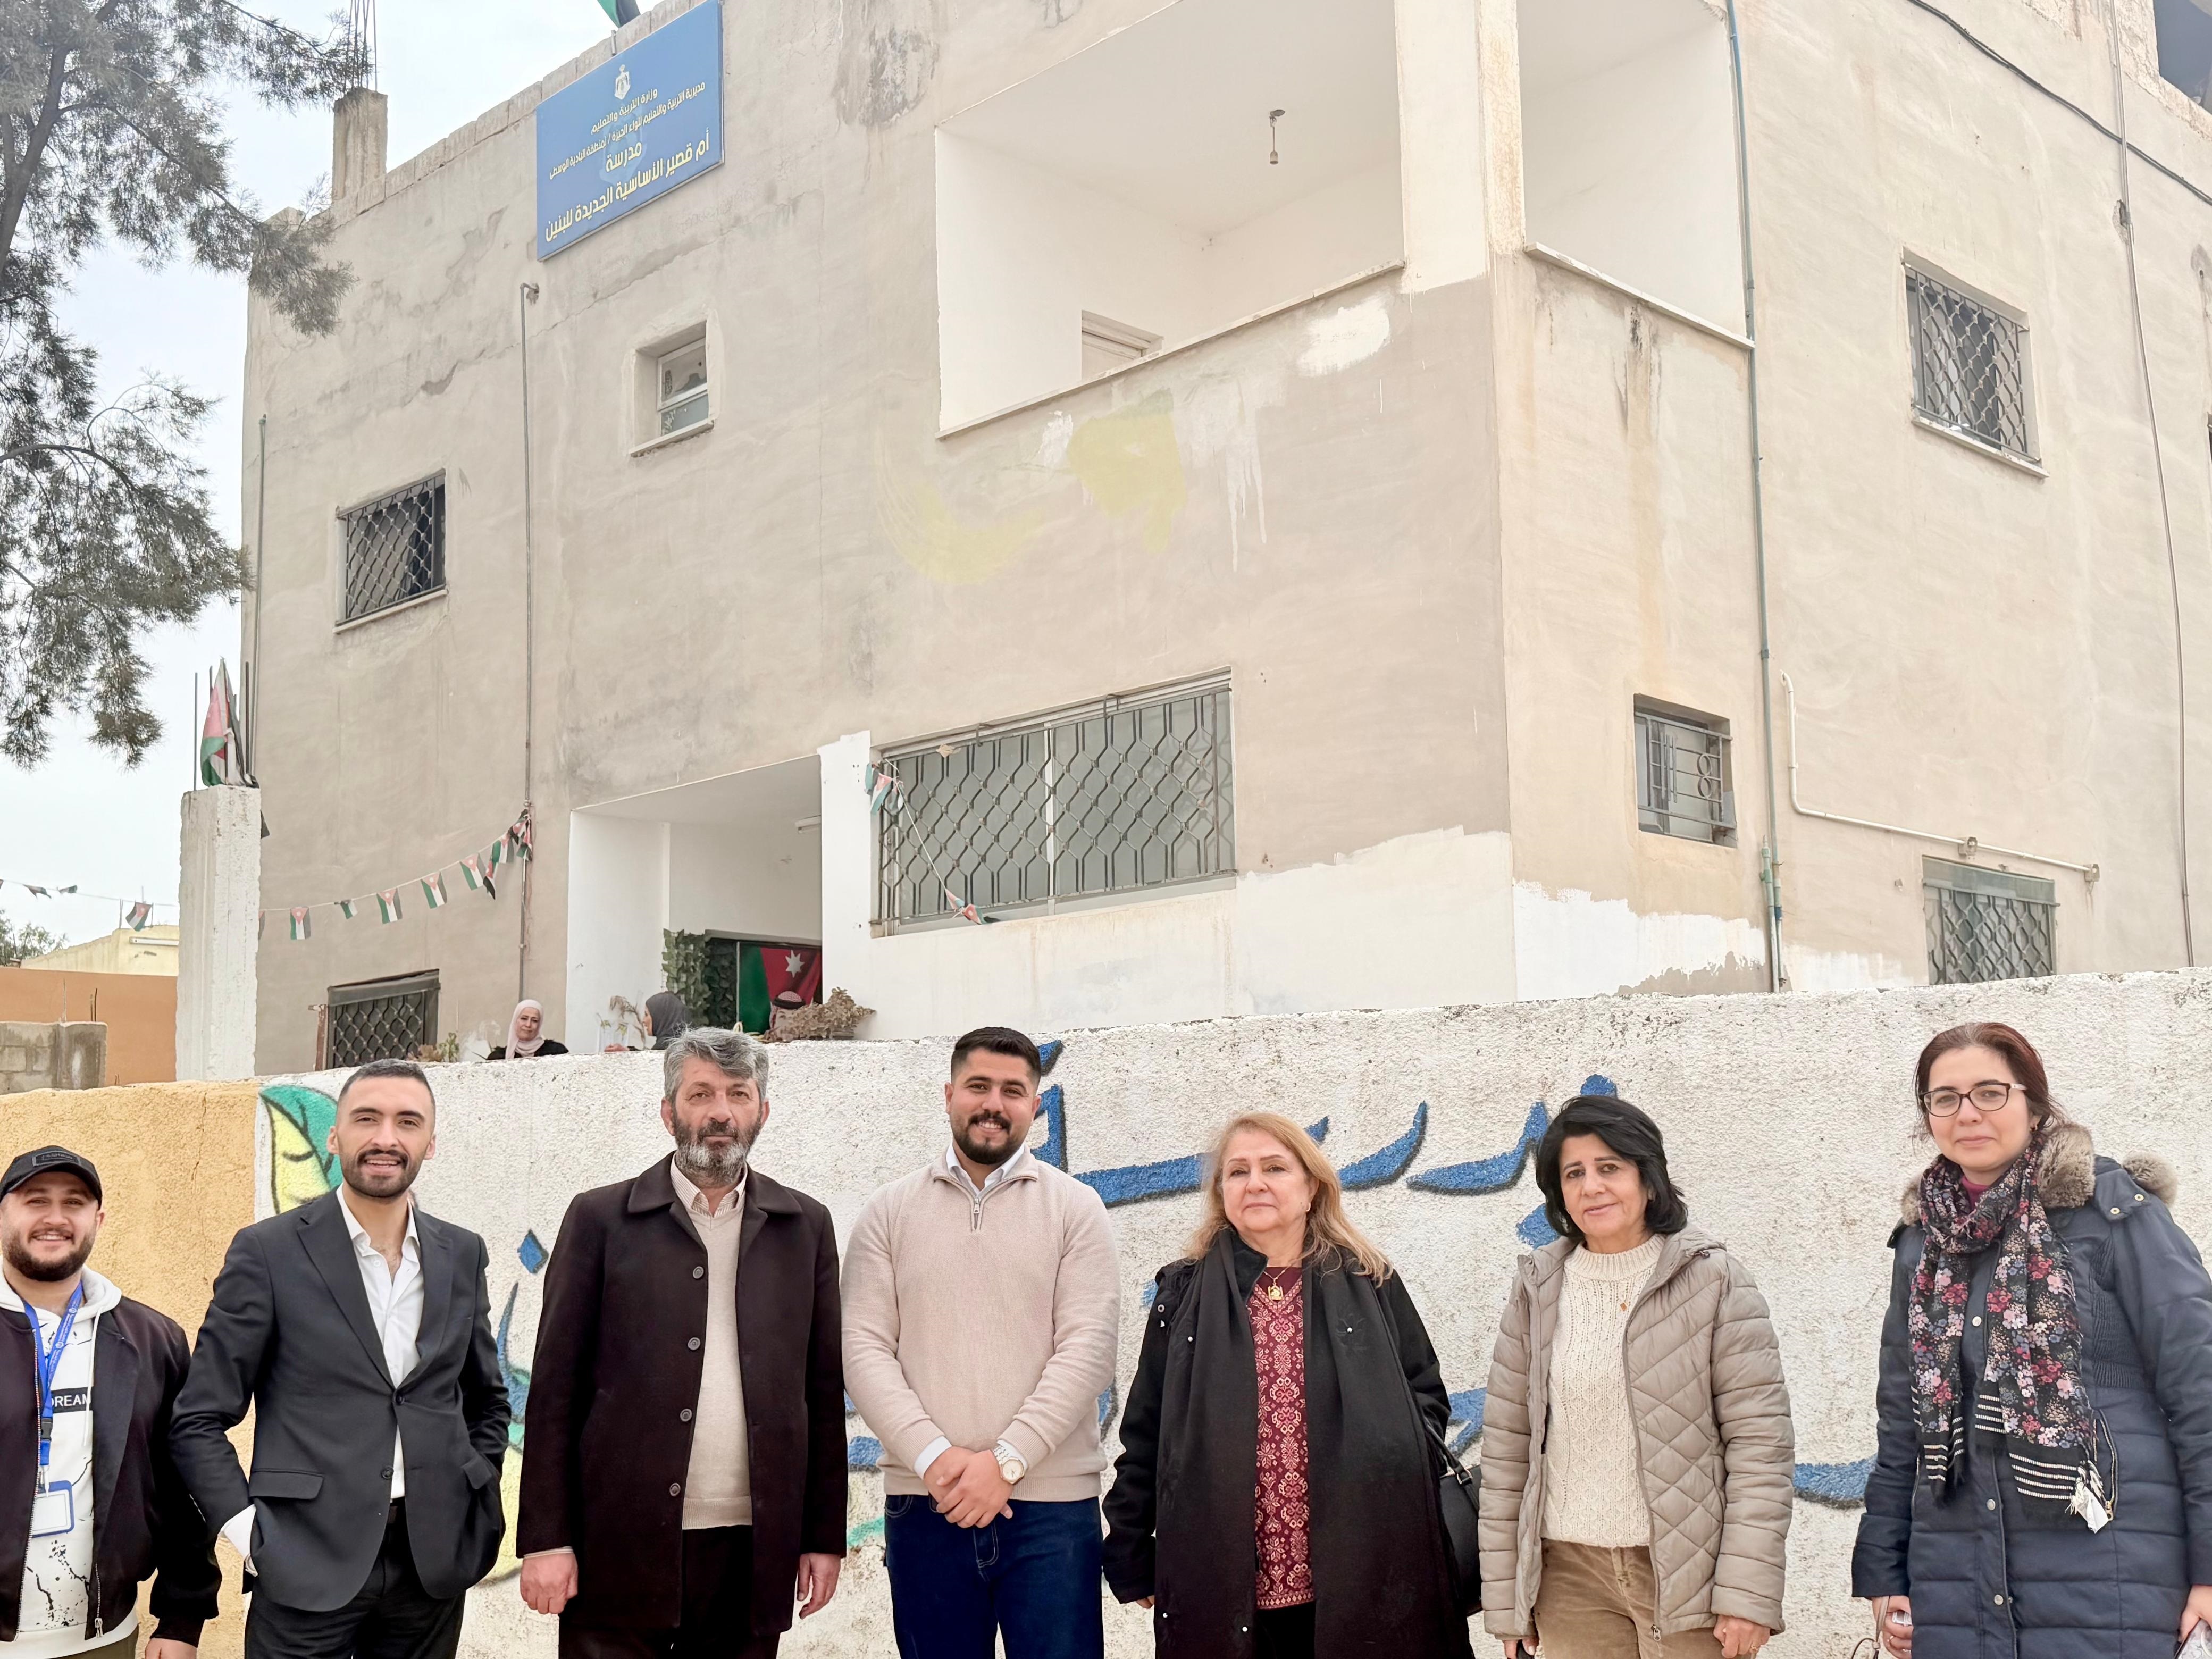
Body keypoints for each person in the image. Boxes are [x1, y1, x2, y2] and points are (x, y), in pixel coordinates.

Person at [1852, 1021, 2212, 1659]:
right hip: (1956, 1580)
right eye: (1944, 1098)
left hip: (2111, 1578)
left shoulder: (2113, 1216)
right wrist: (1884, 1572)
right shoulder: (1921, 1244)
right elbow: (1902, 1423)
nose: (1967, 1114)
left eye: (1989, 1092)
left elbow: (2200, 1395)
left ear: (2033, 1104)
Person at [518, 1027, 846, 1657]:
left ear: (762, 1111)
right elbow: (555, 1390)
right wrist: (546, 1538)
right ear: (669, 1113)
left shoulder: (803, 1226)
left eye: (738, 1094)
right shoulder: (600, 1220)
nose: (720, 1112)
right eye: (700, 1094)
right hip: (617, 1545)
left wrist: (823, 1536)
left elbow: (822, 1389)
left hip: (753, 1550)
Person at [171, 1059, 512, 1659]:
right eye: (367, 1119)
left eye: (408, 1122)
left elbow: (486, 1398)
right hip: (303, 1561)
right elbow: (198, 1417)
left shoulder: (462, 1253)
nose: (386, 1137)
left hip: (431, 1563)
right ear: (334, 1137)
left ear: (431, 1144)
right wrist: (248, 1534)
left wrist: (474, 1490)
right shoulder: (268, 1252)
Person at [1103, 1110, 1470, 1659]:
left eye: (1274, 1168)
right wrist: (1130, 1549)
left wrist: (1385, 1465)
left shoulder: (1370, 1280)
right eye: (1238, 1171)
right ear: (1221, 1192)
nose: (1254, 1183)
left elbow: (1424, 1395)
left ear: (1311, 1188)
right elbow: (1147, 1431)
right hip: (1224, 1582)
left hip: (1365, 1571)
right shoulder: (1182, 1295)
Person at [1479, 1094, 1792, 1659]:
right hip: (1568, 1579)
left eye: (1609, 1167)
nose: (1591, 1187)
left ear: (1648, 1180)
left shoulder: (1713, 1281)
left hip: (1686, 1576)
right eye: (1574, 1174)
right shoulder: (1537, 1289)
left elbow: (1759, 1447)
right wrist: (1509, 1603)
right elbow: (1507, 1452)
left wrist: (1747, 1594)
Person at [844, 1027, 1119, 1659]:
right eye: (978, 1086)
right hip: (925, 1503)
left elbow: (1088, 1350)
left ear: (1034, 1106)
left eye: (1012, 1091)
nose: (993, 1104)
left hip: (1051, 1514)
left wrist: (1006, 1463)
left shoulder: (1077, 1209)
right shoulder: (887, 1212)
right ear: (948, 1094)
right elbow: (863, 1349)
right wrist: (935, 1460)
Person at [0, 1147, 219, 1659]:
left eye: (74, 1203)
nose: (56, 1218)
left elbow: (183, 1487)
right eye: (36, 1200)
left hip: (105, 1637)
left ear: (97, 1220)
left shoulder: (153, 1340)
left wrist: (182, 1618)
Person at [489, 999, 568, 1060]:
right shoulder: (498, 1058)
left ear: (540, 1025)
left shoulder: (557, 1053)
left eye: (535, 1021)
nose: (528, 1025)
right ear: (515, 1021)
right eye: (524, 1019)